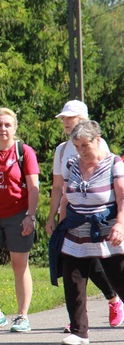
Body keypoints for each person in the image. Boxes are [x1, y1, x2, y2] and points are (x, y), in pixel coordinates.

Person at [45, 100, 123, 330]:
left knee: (117, 277)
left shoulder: (110, 159)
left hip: (106, 230)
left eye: (84, 146)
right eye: (77, 147)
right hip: (76, 229)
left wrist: (120, 224)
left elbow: (120, 196)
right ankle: (79, 330)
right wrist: (59, 222)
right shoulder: (67, 158)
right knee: (74, 280)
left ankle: (113, 300)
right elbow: (63, 193)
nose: (81, 151)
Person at [0, 108, 40, 334]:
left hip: (18, 216)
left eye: (7, 125)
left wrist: (31, 215)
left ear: (14, 127)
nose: (3, 129)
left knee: (19, 265)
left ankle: (22, 316)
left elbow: (33, 187)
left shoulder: (24, 152)